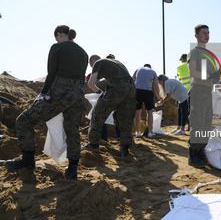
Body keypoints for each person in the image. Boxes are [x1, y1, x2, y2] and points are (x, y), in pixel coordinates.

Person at [5, 25, 88, 180]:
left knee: (24, 120)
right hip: (79, 94)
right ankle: (72, 170)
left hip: (61, 92)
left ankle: (28, 161)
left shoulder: (57, 47)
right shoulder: (83, 52)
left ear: (59, 34)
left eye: (56, 37)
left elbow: (51, 73)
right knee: (72, 129)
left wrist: (43, 94)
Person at [187, 24, 221, 168]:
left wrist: (220, 72)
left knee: (206, 122)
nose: (207, 35)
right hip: (197, 89)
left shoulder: (209, 54)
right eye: (203, 33)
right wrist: (211, 75)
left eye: (208, 32)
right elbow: (193, 72)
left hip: (207, 90)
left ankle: (201, 150)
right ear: (196, 35)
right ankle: (193, 154)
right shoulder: (194, 52)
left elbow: (213, 75)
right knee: (197, 122)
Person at [81, 56, 136, 158]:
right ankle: (125, 148)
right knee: (125, 118)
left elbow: (90, 84)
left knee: (97, 113)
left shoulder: (98, 63)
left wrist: (100, 92)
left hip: (118, 87)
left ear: (93, 62)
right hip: (131, 87)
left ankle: (93, 144)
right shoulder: (116, 62)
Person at [133, 64, 161, 138]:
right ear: (150, 67)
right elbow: (156, 86)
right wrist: (158, 96)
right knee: (149, 112)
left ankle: (138, 132)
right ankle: (150, 132)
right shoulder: (153, 72)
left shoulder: (138, 68)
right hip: (147, 92)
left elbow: (132, 79)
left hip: (137, 91)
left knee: (138, 111)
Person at [86, 55, 110, 142]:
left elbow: (91, 84)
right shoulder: (96, 73)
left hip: (105, 97)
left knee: (99, 116)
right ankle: (102, 137)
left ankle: (101, 138)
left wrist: (99, 91)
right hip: (103, 96)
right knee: (99, 117)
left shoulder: (104, 72)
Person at [106, 54, 121, 141]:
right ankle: (103, 137)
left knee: (118, 115)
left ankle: (119, 136)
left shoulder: (118, 70)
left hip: (116, 94)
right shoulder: (103, 69)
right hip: (107, 94)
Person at [177, 54, 191, 130]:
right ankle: (191, 125)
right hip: (192, 89)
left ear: (182, 59)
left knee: (185, 110)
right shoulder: (191, 65)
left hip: (183, 91)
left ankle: (188, 125)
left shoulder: (179, 68)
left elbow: (179, 79)